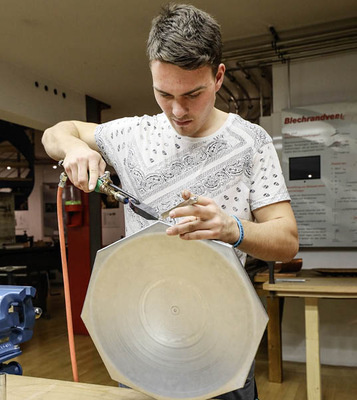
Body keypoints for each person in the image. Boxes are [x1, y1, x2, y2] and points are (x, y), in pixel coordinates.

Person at [42, 4, 299, 399]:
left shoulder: (252, 143)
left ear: (218, 76)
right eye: (164, 94)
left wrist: (235, 229)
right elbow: (56, 132)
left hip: (221, 344)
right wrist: (75, 148)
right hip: (142, 337)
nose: (178, 111)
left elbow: (286, 242)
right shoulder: (133, 135)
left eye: (193, 94)